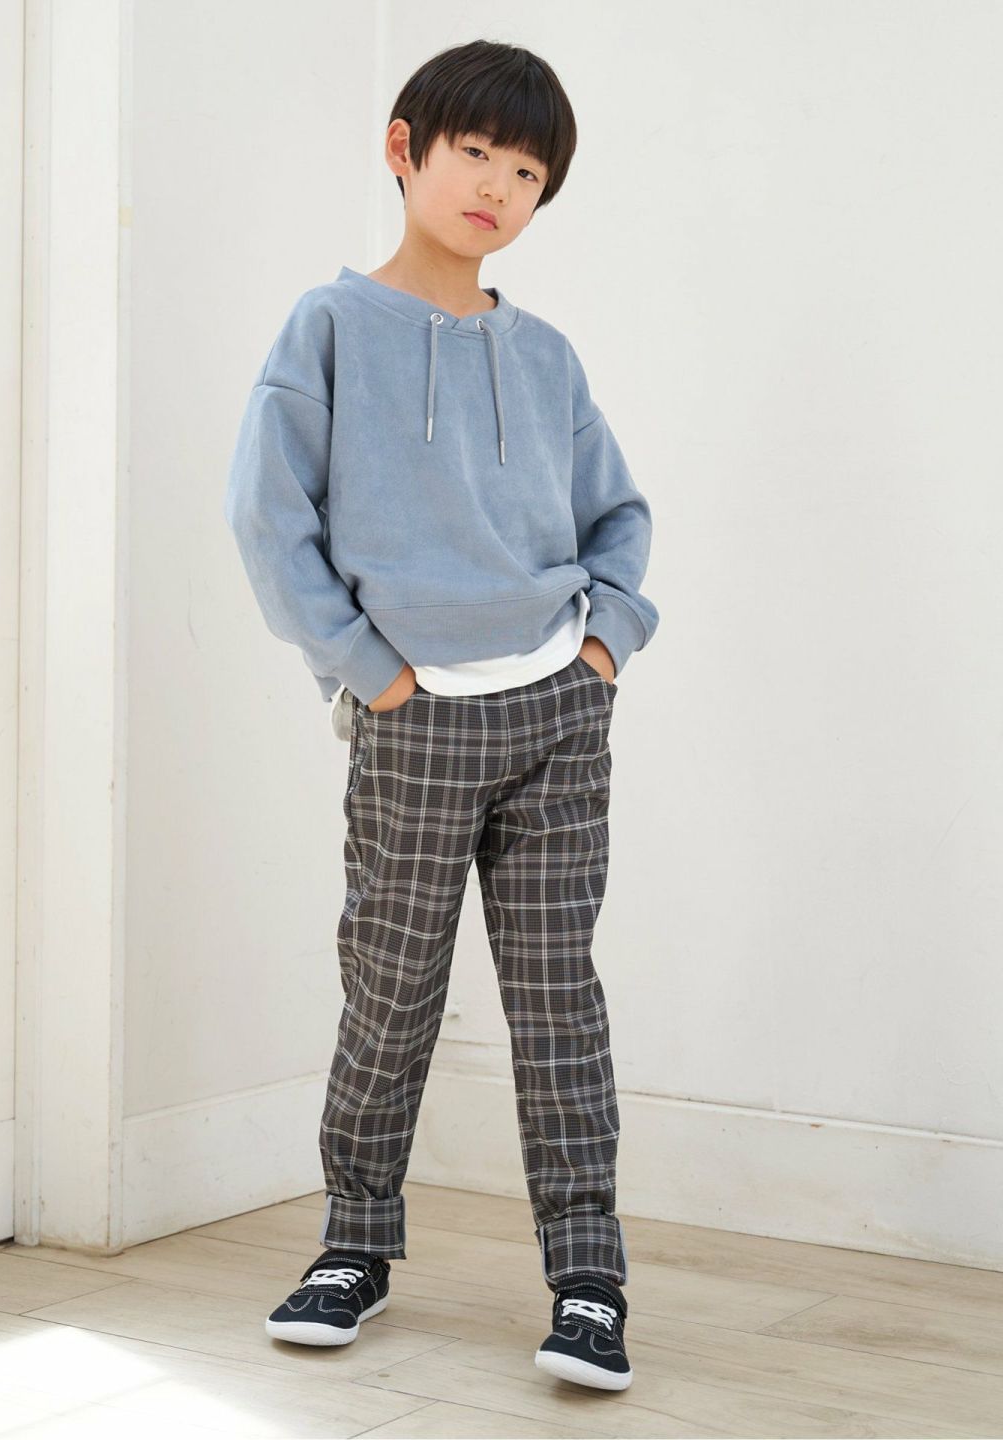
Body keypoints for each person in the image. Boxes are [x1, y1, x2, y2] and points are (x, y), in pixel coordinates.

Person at [224, 37, 657, 1392]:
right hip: (415, 719)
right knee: (392, 991)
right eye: (475, 154)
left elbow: (618, 516)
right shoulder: (328, 328)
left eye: (527, 174)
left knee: (557, 1001)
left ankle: (588, 1280)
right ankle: (353, 1245)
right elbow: (268, 519)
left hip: (556, 714)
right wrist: (369, 672)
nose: (497, 189)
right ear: (404, 150)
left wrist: (604, 646)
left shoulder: (547, 357)